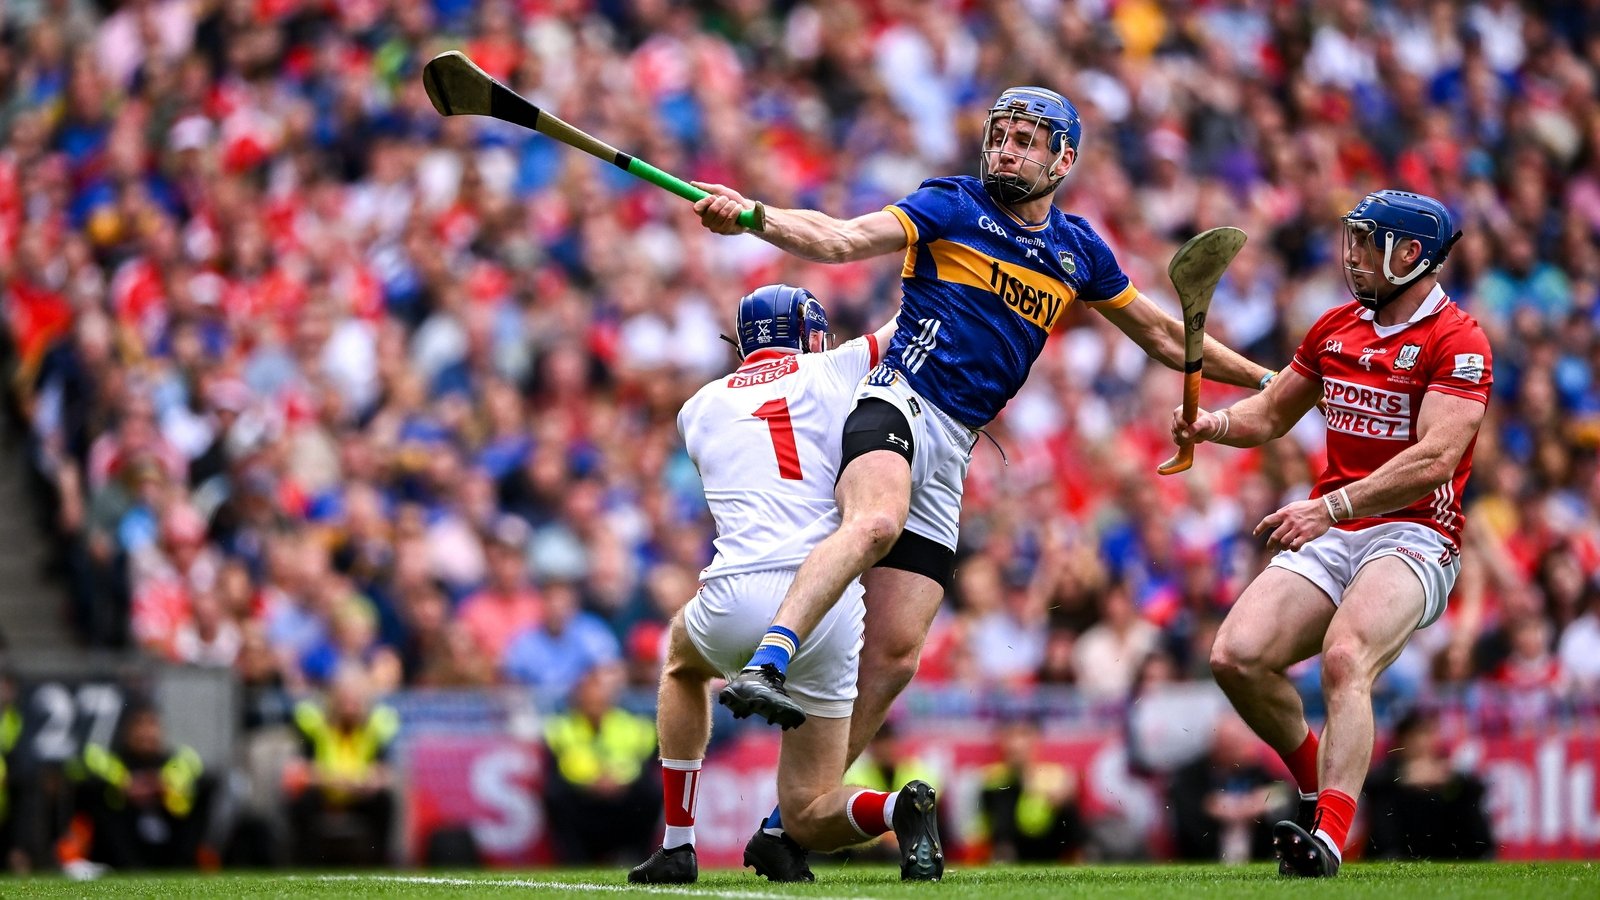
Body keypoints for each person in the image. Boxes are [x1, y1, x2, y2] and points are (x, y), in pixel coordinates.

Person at [693, 85, 1270, 871]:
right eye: (1001, 135)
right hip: (896, 400)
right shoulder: (951, 204)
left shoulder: (1079, 251)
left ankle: (790, 821)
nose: (1006, 149)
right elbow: (840, 238)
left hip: (955, 446)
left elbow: (1169, 339)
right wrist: (755, 216)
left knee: (896, 656)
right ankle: (769, 661)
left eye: (1027, 140)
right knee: (873, 523)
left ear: (1064, 159)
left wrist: (1272, 383)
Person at [1171, 190, 1492, 877]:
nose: (1352, 256)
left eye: (1367, 242)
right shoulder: (1335, 328)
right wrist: (1212, 424)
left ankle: (1332, 837)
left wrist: (1333, 507)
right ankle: (1321, 789)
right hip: (1337, 528)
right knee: (1235, 657)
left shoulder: (1458, 341)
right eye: (1352, 239)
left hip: (1414, 535)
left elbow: (1435, 459)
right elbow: (1270, 413)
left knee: (1346, 657)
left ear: (1412, 254)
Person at [629, 285, 944, 884]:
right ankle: (892, 809)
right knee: (807, 808)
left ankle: (677, 844)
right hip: (828, 603)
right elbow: (918, 316)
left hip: (735, 596)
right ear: (809, 332)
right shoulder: (839, 367)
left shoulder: (696, 407)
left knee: (682, 663)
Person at [544, 662, 660, 865]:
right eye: (590, 697)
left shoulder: (631, 725)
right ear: (578, 699)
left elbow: (637, 761)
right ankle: (575, 860)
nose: (595, 702)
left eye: (600, 697)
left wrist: (616, 780)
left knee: (652, 791)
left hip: (623, 796)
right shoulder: (561, 728)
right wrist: (592, 780)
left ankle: (639, 855)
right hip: (582, 798)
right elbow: (566, 764)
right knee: (555, 794)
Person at [284, 668, 399, 866]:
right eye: (344, 700)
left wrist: (365, 781)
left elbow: (385, 773)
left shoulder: (376, 728)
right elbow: (298, 772)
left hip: (360, 797)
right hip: (323, 795)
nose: (349, 707)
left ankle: (381, 863)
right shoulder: (314, 726)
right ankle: (301, 863)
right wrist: (334, 780)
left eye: (355, 701)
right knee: (302, 801)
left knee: (384, 801)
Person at [1363, 708, 1493, 860]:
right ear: (1403, 739)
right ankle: (1388, 855)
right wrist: (1404, 776)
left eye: (1428, 734)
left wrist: (1448, 778)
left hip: (1445, 842)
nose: (1422, 742)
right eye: (1416, 735)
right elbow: (1369, 786)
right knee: (1385, 798)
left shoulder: (1445, 767)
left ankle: (1481, 854)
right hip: (1402, 842)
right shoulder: (1390, 768)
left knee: (1466, 797)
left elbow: (1478, 787)